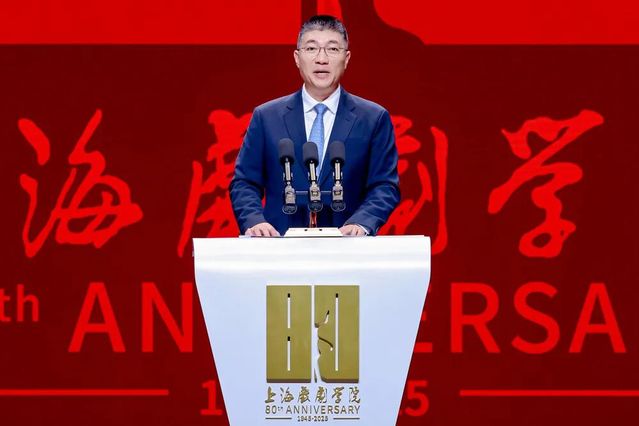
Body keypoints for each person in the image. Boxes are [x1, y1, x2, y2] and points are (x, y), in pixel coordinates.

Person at [230, 15, 399, 237]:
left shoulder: (373, 118)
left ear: (346, 58)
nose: (322, 59)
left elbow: (385, 185)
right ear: (297, 58)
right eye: (311, 49)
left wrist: (362, 223)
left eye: (332, 49)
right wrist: (255, 221)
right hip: (280, 245)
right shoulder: (267, 117)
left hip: (347, 247)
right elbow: (244, 182)